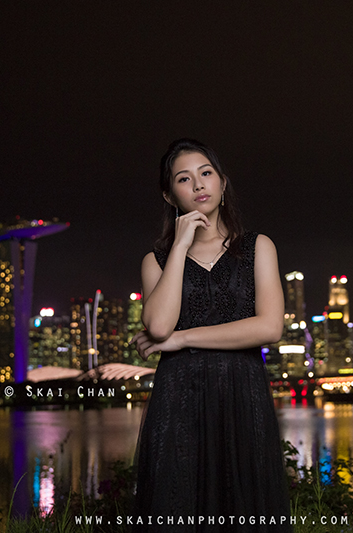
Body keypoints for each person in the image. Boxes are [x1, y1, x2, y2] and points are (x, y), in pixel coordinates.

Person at [130, 139, 293, 531]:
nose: (199, 184)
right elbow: (158, 326)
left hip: (243, 397)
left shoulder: (257, 247)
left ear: (222, 183)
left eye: (206, 173)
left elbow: (270, 327)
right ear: (171, 195)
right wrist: (182, 244)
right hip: (178, 402)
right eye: (184, 179)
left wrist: (183, 340)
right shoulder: (156, 260)